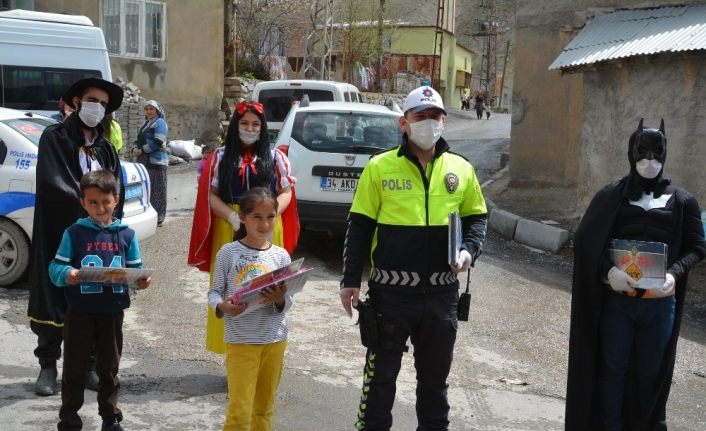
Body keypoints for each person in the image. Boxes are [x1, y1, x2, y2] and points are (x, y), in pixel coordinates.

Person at [340, 86, 488, 430]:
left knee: (435, 389)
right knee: (379, 386)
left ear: (444, 122)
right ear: (403, 123)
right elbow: (359, 226)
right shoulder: (378, 168)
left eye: (435, 117)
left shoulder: (461, 169)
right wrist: (349, 280)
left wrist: (469, 251)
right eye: (420, 117)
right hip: (389, 298)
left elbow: (477, 217)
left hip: (441, 297)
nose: (428, 123)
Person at [565, 119, 706, 430]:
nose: (650, 160)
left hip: (659, 305)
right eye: (643, 152)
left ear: (665, 154)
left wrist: (674, 273)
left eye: (657, 153)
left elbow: (698, 246)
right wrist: (608, 271)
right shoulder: (611, 196)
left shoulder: (682, 201)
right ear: (631, 152)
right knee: (611, 371)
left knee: (650, 375)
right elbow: (586, 242)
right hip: (619, 302)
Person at [28, 77, 125, 397]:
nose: (96, 107)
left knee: (96, 295)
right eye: (91, 100)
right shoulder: (54, 138)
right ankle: (48, 366)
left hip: (99, 237)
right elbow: (54, 184)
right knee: (55, 294)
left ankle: (88, 365)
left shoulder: (106, 147)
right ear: (77, 102)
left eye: (102, 102)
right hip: (61, 232)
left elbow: (115, 189)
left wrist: (110, 223)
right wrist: (89, 213)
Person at [188, 101, 299, 354]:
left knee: (269, 282)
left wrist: (268, 217)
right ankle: (231, 350)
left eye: (255, 124)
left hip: (266, 225)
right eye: (245, 123)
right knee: (231, 285)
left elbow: (285, 192)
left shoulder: (275, 157)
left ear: (263, 127)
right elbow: (211, 195)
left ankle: (267, 342)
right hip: (230, 225)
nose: (250, 128)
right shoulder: (220, 157)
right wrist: (232, 217)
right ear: (235, 125)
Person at [49, 170, 151, 431]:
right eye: (93, 202)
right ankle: (69, 420)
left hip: (112, 312)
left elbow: (136, 270)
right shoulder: (73, 233)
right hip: (80, 311)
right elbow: (55, 268)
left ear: (116, 200)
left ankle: (110, 416)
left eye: (105, 201)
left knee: (109, 368)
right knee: (74, 369)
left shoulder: (127, 235)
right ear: (83, 203)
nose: (100, 207)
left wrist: (141, 281)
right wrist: (67, 274)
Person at [207, 187, 293, 431]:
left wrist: (278, 299)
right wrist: (222, 306)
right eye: (257, 216)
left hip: (274, 341)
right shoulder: (229, 253)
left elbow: (289, 301)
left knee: (264, 408)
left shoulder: (281, 256)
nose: (264, 223)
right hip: (241, 342)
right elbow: (214, 292)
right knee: (240, 411)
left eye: (270, 217)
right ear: (242, 217)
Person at [132, 100, 168, 226]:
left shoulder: (160, 123)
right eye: (147, 109)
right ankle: (149, 215)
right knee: (147, 189)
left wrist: (141, 150)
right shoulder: (146, 124)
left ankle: (159, 218)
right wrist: (135, 148)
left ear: (157, 110)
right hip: (144, 160)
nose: (149, 111)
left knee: (158, 190)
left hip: (157, 161)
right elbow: (138, 140)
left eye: (151, 109)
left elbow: (158, 141)